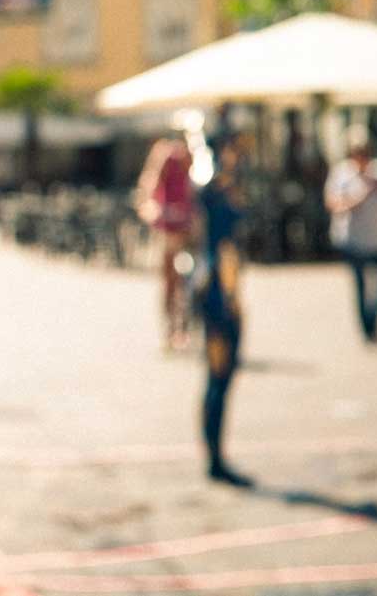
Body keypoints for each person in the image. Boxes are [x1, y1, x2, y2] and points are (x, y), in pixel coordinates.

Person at [194, 129, 253, 487]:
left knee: (221, 376)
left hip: (223, 288)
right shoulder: (212, 186)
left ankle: (216, 452)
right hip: (218, 290)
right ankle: (214, 456)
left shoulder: (220, 186)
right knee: (218, 376)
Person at [324, 126, 377, 342]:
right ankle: (367, 328)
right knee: (360, 286)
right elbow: (333, 204)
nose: (362, 157)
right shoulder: (341, 173)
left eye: (365, 152)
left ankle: (373, 317)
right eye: (358, 152)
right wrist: (360, 196)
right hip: (353, 240)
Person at [137, 136, 196, 349]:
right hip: (171, 229)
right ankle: (172, 328)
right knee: (171, 282)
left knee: (181, 281)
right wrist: (159, 212)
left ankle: (180, 327)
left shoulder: (183, 159)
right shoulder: (166, 156)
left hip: (183, 228)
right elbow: (150, 194)